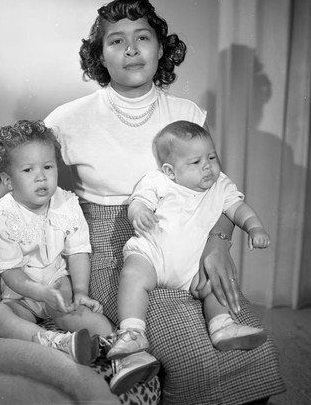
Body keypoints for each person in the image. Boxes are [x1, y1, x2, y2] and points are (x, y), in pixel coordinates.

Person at [0, 0, 283, 403]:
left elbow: (215, 185)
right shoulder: (68, 118)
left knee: (248, 339)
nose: (132, 49)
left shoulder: (186, 112)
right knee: (194, 352)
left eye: (143, 37)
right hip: (106, 255)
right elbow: (12, 189)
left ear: (161, 48)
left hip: (186, 244)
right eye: (116, 41)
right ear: (100, 56)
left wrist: (220, 241)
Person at [107, 120, 269, 361]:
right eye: (196, 162)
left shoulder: (221, 185)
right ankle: (133, 332)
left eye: (212, 158)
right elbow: (139, 201)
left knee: (214, 284)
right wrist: (139, 212)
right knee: (132, 276)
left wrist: (255, 227)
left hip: (194, 268)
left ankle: (222, 326)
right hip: (153, 256)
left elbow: (238, 208)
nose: (208, 167)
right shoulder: (159, 181)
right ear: (170, 170)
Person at [0, 120, 113, 366]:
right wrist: (41, 294)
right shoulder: (2, 217)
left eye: (47, 167)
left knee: (82, 313)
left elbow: (78, 252)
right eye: (28, 170)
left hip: (58, 285)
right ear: (8, 181)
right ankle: (52, 340)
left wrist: (81, 292)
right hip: (21, 296)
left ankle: (120, 348)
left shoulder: (66, 204)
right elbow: (10, 273)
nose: (40, 177)